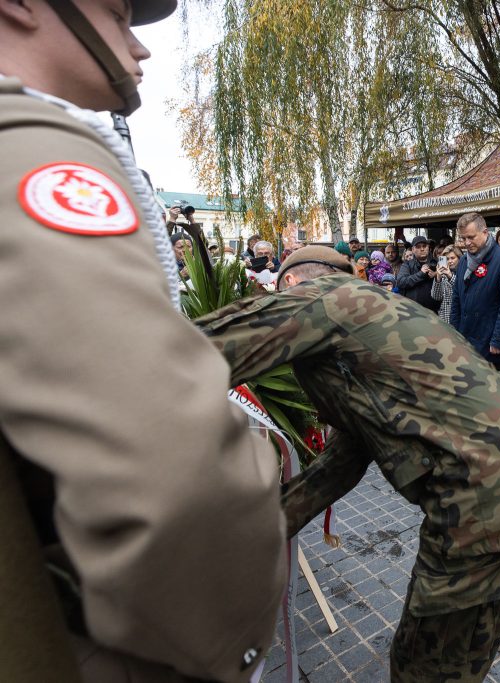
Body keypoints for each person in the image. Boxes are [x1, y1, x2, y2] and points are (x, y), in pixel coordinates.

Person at [0, 1, 286, 681]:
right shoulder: (31, 145)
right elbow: (173, 474)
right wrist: (233, 640)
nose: (138, 45)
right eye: (118, 11)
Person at [196, 247, 500, 683]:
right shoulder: (377, 320)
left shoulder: (319, 298)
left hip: (481, 488)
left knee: (428, 660)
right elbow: (341, 464)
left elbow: (181, 359)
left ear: (289, 282)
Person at [451, 212, 500, 382]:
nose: (467, 243)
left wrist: (498, 340)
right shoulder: (463, 261)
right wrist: (453, 333)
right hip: (469, 342)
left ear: (485, 232)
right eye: (463, 239)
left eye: (471, 237)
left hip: (495, 347)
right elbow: (457, 299)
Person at [397, 235, 441, 312]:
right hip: (413, 311)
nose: (422, 249)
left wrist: (437, 275)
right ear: (413, 250)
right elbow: (401, 282)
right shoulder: (407, 265)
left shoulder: (437, 263)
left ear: (429, 248)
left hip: (434, 311)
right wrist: (421, 274)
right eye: (418, 247)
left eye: (424, 246)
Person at [429, 242, 462, 324]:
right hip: (445, 318)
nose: (450, 261)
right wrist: (438, 278)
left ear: (459, 258)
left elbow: (462, 290)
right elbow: (436, 297)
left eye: (452, 258)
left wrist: (450, 276)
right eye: (447, 259)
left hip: (459, 317)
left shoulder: (464, 272)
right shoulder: (442, 273)